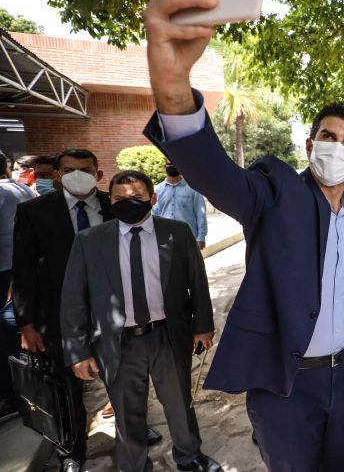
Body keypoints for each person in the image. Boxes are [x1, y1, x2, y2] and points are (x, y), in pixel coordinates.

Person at [142, 0, 344, 471]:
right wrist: (173, 83)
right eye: (329, 137)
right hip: (286, 383)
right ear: (311, 145)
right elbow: (215, 173)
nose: (339, 148)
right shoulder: (276, 190)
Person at [61, 170, 219, 472]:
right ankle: (134, 466)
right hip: (117, 342)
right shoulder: (89, 241)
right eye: (119, 199)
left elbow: (196, 282)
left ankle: (189, 457)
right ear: (110, 201)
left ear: (153, 198)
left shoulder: (178, 232)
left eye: (136, 198)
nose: (128, 203)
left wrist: (203, 326)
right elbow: (73, 299)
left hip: (168, 336)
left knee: (179, 405)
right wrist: (77, 351)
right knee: (126, 411)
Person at [12, 148, 110, 472]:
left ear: (98, 174)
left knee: (123, 381)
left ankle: (134, 429)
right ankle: (72, 453)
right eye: (69, 169)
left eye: (84, 169)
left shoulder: (115, 207)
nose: (76, 174)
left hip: (112, 316)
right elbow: (23, 271)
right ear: (57, 175)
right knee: (67, 392)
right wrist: (27, 324)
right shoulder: (33, 212)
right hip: (58, 320)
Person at [0, 150, 35, 418]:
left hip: (5, 271)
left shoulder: (4, 192)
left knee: (7, 330)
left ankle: (13, 394)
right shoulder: (23, 190)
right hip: (24, 269)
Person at [153, 161, 208, 250]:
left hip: (188, 238)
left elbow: (200, 214)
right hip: (164, 239)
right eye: (169, 164)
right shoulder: (157, 190)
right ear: (165, 166)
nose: (172, 166)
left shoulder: (193, 189)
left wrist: (201, 237)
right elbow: (153, 215)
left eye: (175, 163)